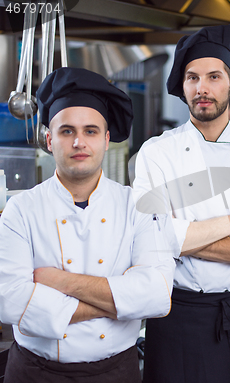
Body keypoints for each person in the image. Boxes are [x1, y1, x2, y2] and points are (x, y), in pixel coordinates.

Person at [0, 67, 177, 383]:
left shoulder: (138, 206)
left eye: (91, 131)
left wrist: (60, 282)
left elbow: (157, 295)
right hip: (34, 373)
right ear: (49, 139)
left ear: (107, 140)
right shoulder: (20, 210)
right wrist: (120, 303)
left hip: (114, 373)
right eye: (67, 131)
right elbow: (8, 300)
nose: (79, 141)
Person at [132, 24, 230, 383]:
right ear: (183, 86)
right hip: (176, 314)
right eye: (192, 77)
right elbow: (149, 237)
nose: (202, 87)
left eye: (214, 76)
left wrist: (182, 238)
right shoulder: (157, 152)